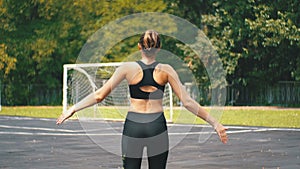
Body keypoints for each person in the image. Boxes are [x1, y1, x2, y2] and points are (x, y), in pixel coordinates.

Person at [56, 30, 228, 169]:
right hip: (157, 127)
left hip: (134, 126)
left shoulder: (127, 68)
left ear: (139, 47)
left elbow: (99, 95)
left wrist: (73, 108)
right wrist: (214, 123)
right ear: (159, 48)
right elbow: (188, 102)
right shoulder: (166, 70)